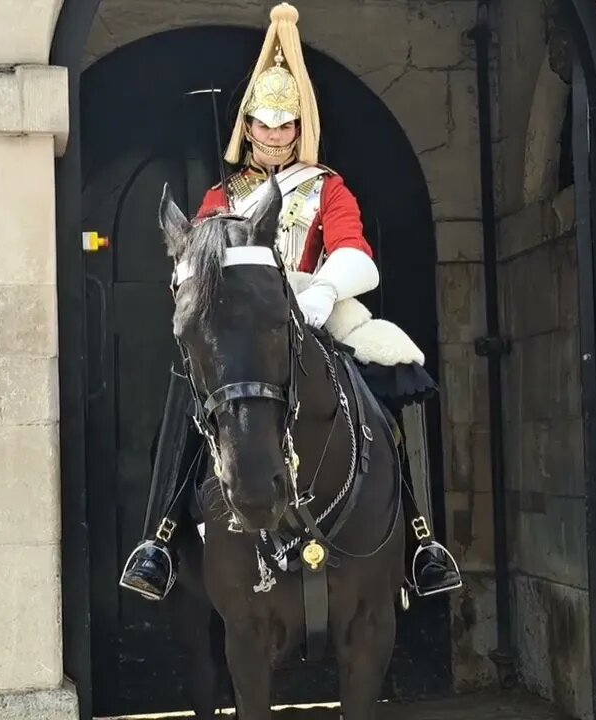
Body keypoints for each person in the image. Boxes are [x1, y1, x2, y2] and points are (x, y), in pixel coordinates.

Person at [119, 2, 461, 601]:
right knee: (186, 397)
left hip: (318, 305)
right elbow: (196, 264)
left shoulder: (328, 187)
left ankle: (420, 539)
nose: (275, 137)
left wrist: (325, 290)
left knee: (396, 372)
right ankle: (162, 538)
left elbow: (356, 251)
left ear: (300, 129)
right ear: (247, 127)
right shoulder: (219, 196)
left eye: (286, 126)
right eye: (264, 124)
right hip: (246, 320)